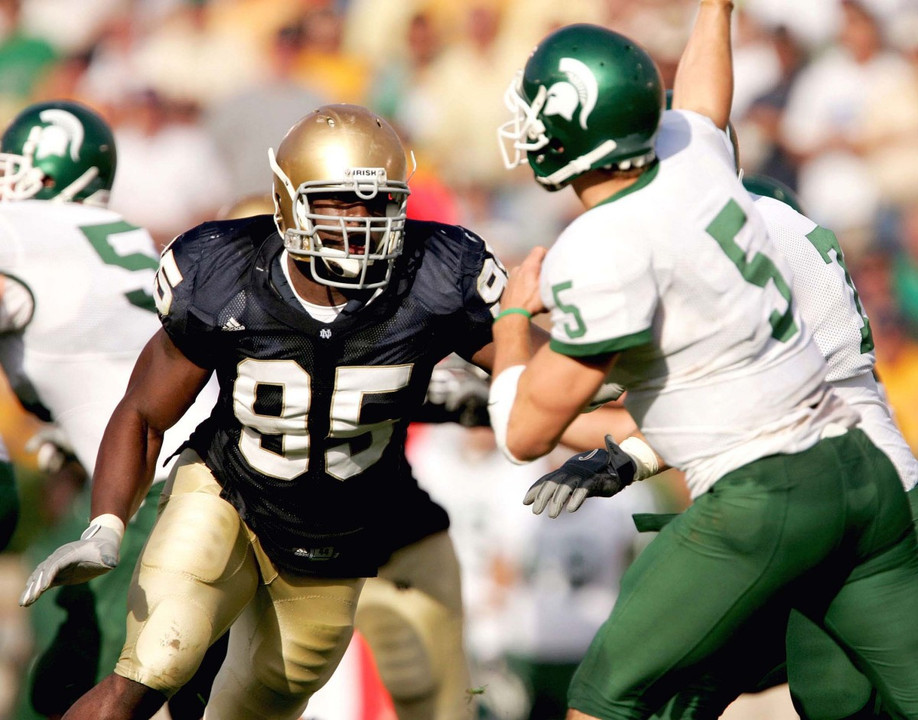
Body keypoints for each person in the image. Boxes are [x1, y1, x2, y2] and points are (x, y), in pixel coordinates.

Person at [16, 102, 554, 720]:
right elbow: (143, 410)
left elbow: (545, 376)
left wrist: (630, 379)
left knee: (266, 697)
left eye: (376, 204)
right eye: (338, 203)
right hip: (227, 490)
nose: (361, 224)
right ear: (290, 203)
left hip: (336, 535)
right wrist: (107, 523)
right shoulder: (225, 273)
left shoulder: (435, 275)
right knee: (159, 657)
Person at [491, 7, 918, 719]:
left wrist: (509, 321)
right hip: (866, 469)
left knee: (617, 698)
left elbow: (522, 432)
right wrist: (715, 8)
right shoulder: (702, 168)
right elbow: (701, 105)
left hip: (769, 496)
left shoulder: (604, 245)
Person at [0, 99, 219, 720]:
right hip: (206, 469)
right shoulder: (124, 234)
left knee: (87, 693)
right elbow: (113, 351)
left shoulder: (14, 231)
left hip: (150, 491)